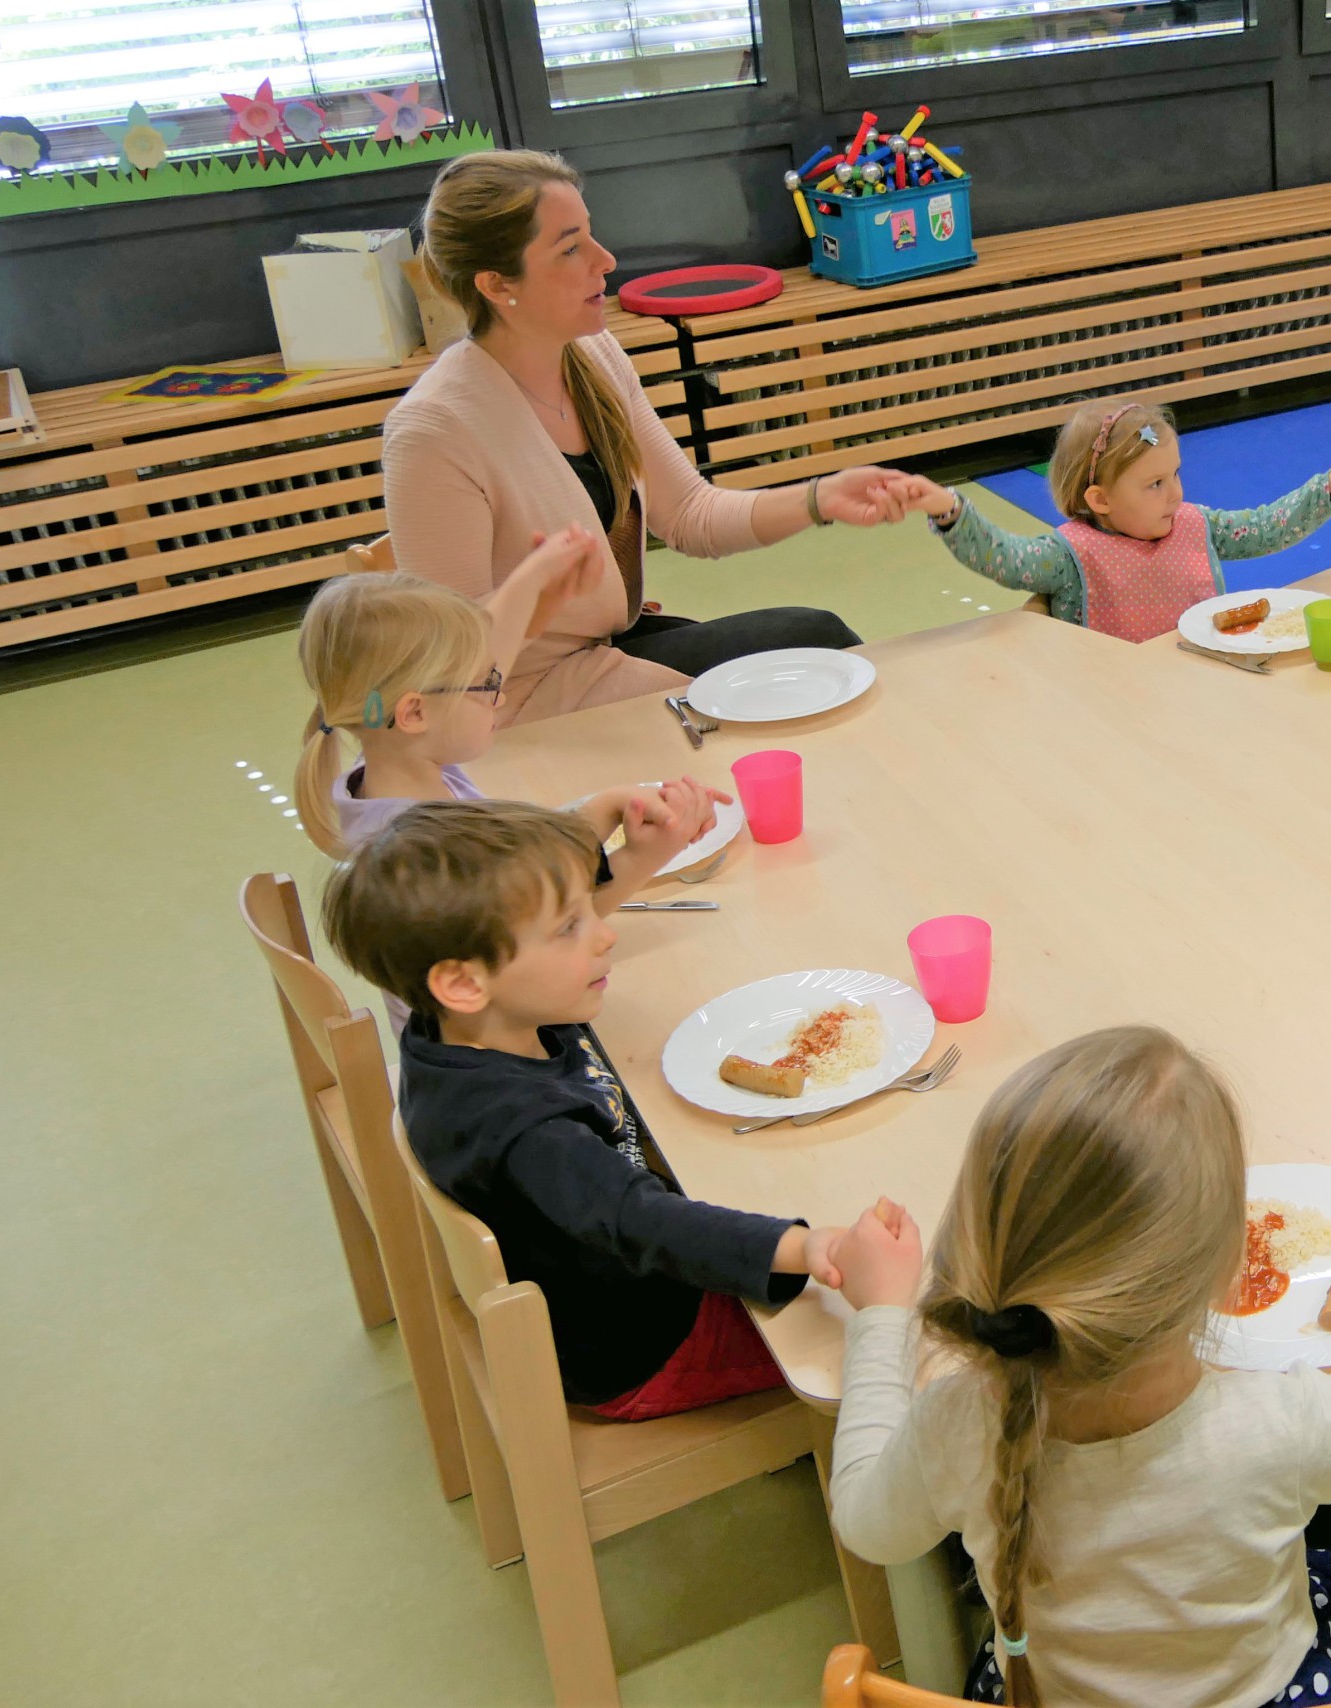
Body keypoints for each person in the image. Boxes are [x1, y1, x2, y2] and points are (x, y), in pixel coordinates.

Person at [824, 1025, 1331, 1705]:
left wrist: (882, 1317)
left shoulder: (957, 1426)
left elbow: (866, 1521)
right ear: (1230, 1270)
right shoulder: (1278, 1424)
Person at [323, 799, 849, 1419]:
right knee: (881, 1337)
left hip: (620, 1286)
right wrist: (805, 1249)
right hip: (646, 1346)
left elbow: (519, 919)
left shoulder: (472, 1026)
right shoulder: (528, 1133)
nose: (605, 931)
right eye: (569, 927)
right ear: (464, 982)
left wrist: (609, 846)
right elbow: (639, 1221)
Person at [386, 149, 914, 724]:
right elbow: (452, 665)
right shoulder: (434, 431)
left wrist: (820, 497)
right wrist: (537, 601)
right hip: (522, 703)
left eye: (591, 235)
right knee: (813, 661)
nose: (605, 260)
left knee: (823, 643)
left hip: (603, 652)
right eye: (570, 248)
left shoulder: (592, 354)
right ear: (495, 284)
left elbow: (690, 513)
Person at [295, 564, 725, 1031]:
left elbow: (522, 883)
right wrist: (646, 856)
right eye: (486, 685)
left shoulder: (401, 774)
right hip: (505, 1059)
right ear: (415, 711)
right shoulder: (423, 852)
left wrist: (605, 808)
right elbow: (553, 931)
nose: (499, 699)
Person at [895, 399, 1331, 642]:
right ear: (1099, 499)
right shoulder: (1069, 557)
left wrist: (1326, 488)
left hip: (1201, 696)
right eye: (1154, 485)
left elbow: (1268, 526)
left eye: (1175, 475)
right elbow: (1003, 558)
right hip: (1109, 716)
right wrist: (950, 511)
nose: (1177, 494)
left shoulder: (1194, 523)